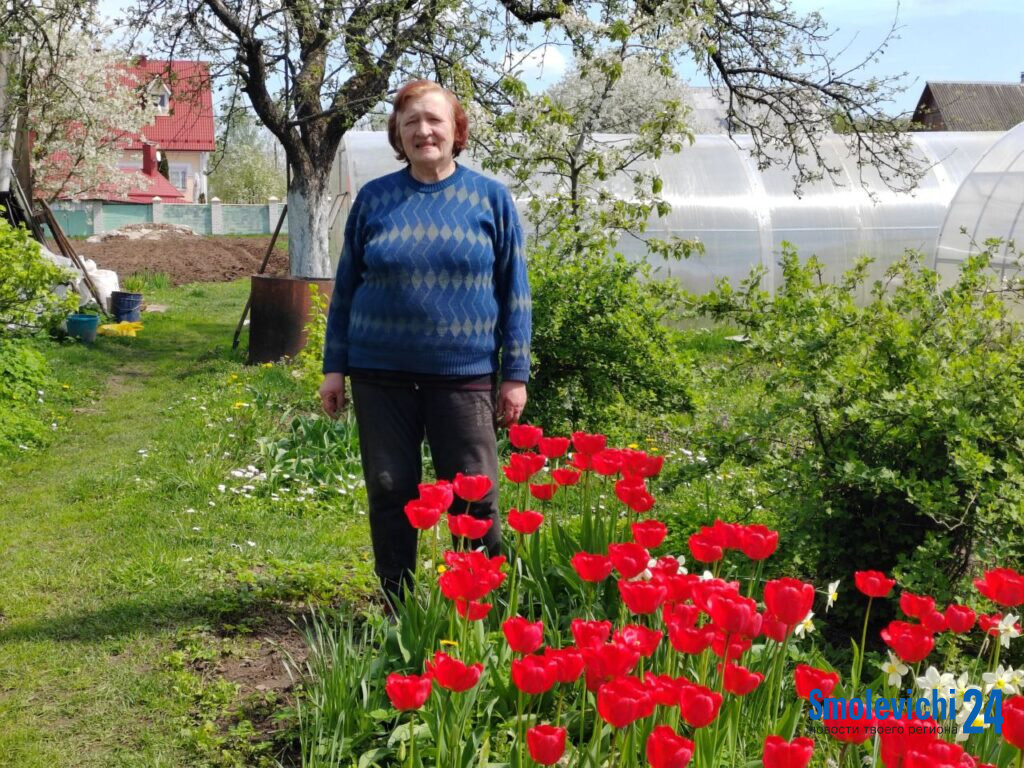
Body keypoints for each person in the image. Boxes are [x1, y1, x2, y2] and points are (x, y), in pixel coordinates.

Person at [319, 79, 531, 604]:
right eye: (410, 121)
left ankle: (478, 606)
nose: (423, 131)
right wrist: (334, 367)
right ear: (398, 133)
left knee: (473, 495)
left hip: (463, 375)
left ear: (456, 130)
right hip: (379, 374)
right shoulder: (375, 200)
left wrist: (515, 374)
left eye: (434, 120)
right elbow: (345, 291)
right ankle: (397, 605)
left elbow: (515, 292)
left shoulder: (490, 199)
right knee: (390, 490)